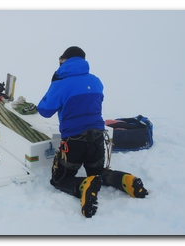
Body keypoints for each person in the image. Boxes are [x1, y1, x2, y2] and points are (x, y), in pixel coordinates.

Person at [37, 46, 148, 218]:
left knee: (59, 179)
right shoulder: (96, 81)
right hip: (97, 139)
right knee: (97, 173)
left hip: (74, 142)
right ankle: (124, 180)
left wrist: (54, 84)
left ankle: (83, 186)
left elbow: (44, 110)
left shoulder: (61, 83)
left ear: (64, 61)